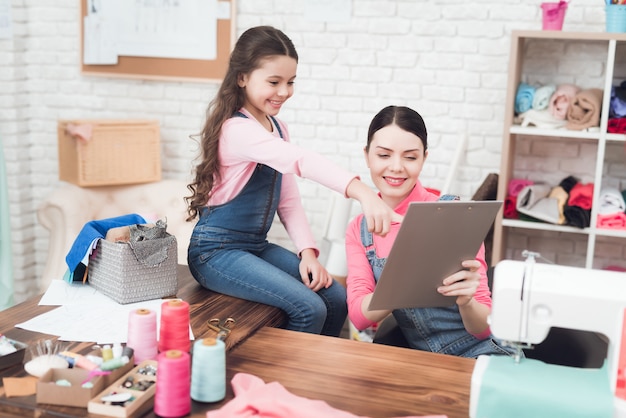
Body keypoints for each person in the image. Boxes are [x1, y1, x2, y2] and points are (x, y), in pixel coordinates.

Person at [185, 26, 398, 337]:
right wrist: (363, 192)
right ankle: (284, 381)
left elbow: (287, 199)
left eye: (290, 82)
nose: (284, 91)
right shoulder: (237, 130)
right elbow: (302, 161)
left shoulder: (278, 128)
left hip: (255, 247)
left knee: (335, 297)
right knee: (307, 307)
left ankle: (316, 376)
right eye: (274, 82)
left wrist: (307, 253)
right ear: (242, 77)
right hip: (216, 253)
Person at [345, 105, 516, 357]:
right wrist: (403, 283)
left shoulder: (455, 214)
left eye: (410, 157)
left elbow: (483, 328)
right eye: (383, 155)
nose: (396, 167)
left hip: (483, 351)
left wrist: (467, 301)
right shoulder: (360, 230)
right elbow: (359, 317)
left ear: (424, 158)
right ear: (367, 155)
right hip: (425, 362)